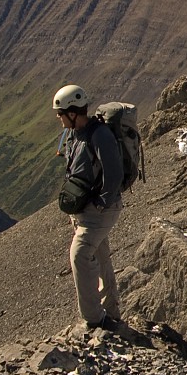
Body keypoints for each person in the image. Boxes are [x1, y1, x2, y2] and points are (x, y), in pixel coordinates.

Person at [53, 84, 124, 331]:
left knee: (80, 254)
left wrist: (102, 203)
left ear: (73, 112)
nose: (58, 118)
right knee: (101, 256)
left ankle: (94, 319)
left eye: (60, 113)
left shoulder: (100, 135)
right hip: (85, 209)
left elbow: (115, 172)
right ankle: (112, 314)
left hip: (99, 210)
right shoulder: (75, 133)